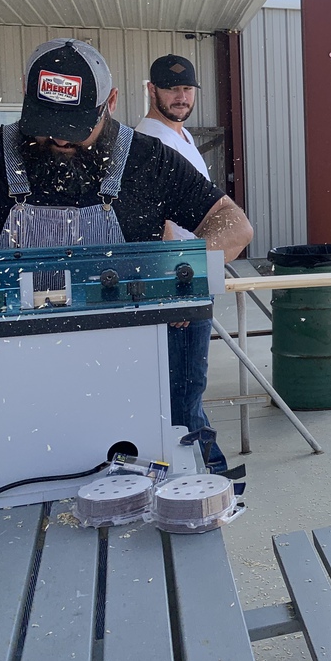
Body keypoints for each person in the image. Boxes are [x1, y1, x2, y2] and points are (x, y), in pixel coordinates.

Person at [0, 38, 253, 470]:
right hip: (11, 379)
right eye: (47, 123)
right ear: (27, 96)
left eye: (76, 125)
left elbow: (233, 224)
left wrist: (181, 274)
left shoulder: (147, 161)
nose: (60, 137)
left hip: (127, 377)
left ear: (110, 102)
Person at [135, 53, 234, 474]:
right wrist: (174, 291)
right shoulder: (148, 140)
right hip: (179, 284)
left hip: (194, 277)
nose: (181, 97)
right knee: (182, 388)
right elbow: (156, 223)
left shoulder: (182, 136)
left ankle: (204, 468)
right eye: (171, 89)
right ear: (151, 90)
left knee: (190, 383)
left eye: (187, 89)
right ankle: (201, 474)